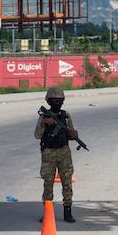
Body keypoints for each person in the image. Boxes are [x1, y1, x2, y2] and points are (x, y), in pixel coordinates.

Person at [35, 87, 78, 223]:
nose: (57, 103)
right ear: (48, 101)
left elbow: (71, 132)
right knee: (48, 183)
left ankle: (68, 212)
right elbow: (37, 135)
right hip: (49, 153)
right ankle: (47, 213)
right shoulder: (43, 116)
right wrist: (44, 123)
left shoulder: (65, 116)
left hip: (64, 152)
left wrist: (74, 135)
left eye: (59, 100)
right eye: (54, 100)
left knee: (67, 183)